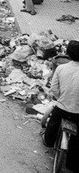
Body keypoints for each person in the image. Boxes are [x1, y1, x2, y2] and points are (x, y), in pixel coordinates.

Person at [43, 40, 79, 171]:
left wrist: (61, 98)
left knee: (53, 123)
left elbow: (54, 88)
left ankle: (48, 141)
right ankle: (72, 164)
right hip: (77, 113)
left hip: (62, 108)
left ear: (68, 54)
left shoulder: (61, 68)